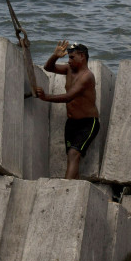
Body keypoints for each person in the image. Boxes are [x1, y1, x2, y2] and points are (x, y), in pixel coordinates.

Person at [35, 40, 100, 180]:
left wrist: (46, 97)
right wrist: (55, 56)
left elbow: (69, 96)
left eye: (72, 57)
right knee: (72, 158)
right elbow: (48, 67)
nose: (69, 60)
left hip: (88, 123)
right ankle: (72, 192)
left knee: (73, 154)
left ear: (82, 56)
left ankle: (63, 189)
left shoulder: (87, 76)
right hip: (71, 123)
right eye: (68, 57)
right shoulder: (69, 69)